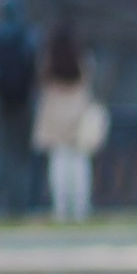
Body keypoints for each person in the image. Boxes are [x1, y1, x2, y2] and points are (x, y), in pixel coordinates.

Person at [30, 24, 101, 224]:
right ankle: (81, 207)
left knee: (59, 161)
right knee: (79, 161)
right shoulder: (83, 59)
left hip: (54, 111)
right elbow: (89, 81)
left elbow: (41, 81)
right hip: (77, 109)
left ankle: (60, 208)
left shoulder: (49, 59)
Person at [0, 0, 39, 218]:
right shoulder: (29, 35)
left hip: (3, 104)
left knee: (6, 153)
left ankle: (9, 203)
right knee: (24, 155)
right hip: (25, 104)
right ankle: (24, 202)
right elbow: (34, 69)